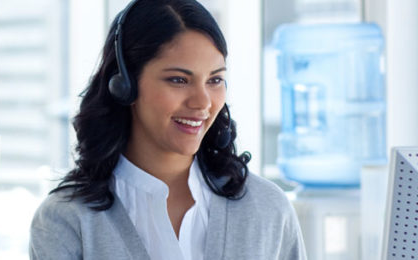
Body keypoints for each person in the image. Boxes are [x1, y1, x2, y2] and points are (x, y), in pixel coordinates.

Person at [29, 0, 305, 259]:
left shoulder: (267, 208)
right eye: (178, 80)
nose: (203, 102)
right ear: (126, 85)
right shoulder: (66, 221)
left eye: (215, 79)